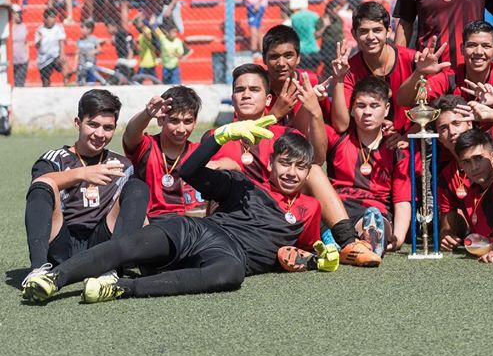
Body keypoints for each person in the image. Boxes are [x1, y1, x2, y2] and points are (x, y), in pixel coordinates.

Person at [21, 123, 328, 304]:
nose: (291, 173)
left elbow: (305, 249)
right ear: (271, 163)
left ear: (309, 172)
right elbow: (189, 171)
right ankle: (53, 279)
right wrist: (218, 139)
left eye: (300, 167)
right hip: (198, 231)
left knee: (231, 275)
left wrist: (318, 259)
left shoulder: (310, 208)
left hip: (232, 257)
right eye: (284, 164)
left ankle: (120, 288)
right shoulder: (245, 185)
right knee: (130, 246)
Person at [209, 63, 377, 265]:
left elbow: (317, 159)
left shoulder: (284, 134)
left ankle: (348, 242)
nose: (246, 95)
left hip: (279, 212)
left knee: (313, 170)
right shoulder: (215, 137)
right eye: (239, 90)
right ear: (233, 98)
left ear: (268, 99)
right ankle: (308, 252)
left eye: (254, 89)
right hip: (239, 217)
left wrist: (315, 112)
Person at [19, 90, 149, 291]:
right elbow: (39, 185)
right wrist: (82, 174)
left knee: (137, 187)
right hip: (61, 243)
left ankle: (112, 270)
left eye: (108, 128)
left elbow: (136, 212)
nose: (100, 134)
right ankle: (38, 270)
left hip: (103, 245)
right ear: (78, 123)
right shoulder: (54, 159)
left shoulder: (122, 164)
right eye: (93, 125)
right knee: (43, 185)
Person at [319, 76, 411, 260]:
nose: (367, 112)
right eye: (361, 106)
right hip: (339, 205)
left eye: (374, 106)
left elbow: (402, 200)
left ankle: (367, 238)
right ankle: (346, 239)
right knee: (327, 213)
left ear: (386, 109)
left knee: (375, 219)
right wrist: (312, 102)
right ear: (352, 109)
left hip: (376, 207)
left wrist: (399, 238)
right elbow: (312, 127)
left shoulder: (397, 150)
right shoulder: (338, 138)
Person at [396, 21, 493, 110]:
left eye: (486, 46)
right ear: (462, 49)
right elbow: (403, 101)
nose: (479, 52)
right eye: (472, 45)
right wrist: (420, 72)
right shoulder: (450, 78)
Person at [331, 1, 417, 133]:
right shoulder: (348, 69)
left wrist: (407, 136)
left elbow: (431, 109)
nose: (371, 37)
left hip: (410, 137)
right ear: (354, 34)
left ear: (388, 31)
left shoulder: (412, 60)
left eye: (377, 30)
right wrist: (338, 79)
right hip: (368, 138)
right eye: (364, 31)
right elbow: (341, 125)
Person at [123, 87, 205, 217]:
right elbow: (130, 133)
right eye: (174, 121)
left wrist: (218, 164)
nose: (181, 129)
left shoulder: (199, 152)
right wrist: (147, 114)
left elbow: (230, 162)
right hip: (152, 221)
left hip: (190, 222)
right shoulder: (147, 147)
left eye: (188, 121)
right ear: (161, 120)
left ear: (195, 123)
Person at [288, 0, 322, 72]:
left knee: (301, 72)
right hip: (313, 48)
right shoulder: (314, 15)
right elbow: (318, 30)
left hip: (301, 48)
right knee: (314, 72)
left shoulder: (294, 17)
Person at [35, 7, 66, 87]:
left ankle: (66, 84)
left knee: (64, 65)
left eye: (54, 18)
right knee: (45, 78)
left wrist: (61, 54)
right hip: (43, 58)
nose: (52, 20)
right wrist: (40, 40)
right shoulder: (40, 30)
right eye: (50, 18)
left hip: (55, 56)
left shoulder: (58, 28)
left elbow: (61, 41)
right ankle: (46, 89)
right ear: (45, 19)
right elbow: (37, 46)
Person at [104, 17, 137, 83]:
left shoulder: (123, 33)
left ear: (113, 26)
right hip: (121, 60)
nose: (107, 30)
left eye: (108, 27)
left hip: (126, 59)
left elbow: (130, 45)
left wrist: (129, 57)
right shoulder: (115, 35)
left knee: (118, 78)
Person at [158, 20, 189, 85]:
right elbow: (157, 31)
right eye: (173, 32)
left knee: (176, 84)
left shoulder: (178, 42)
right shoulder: (163, 39)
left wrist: (175, 54)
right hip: (165, 66)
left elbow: (180, 55)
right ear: (168, 33)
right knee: (165, 84)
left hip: (174, 67)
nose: (175, 34)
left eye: (175, 32)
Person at [133, 16, 160, 83]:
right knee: (154, 80)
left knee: (138, 80)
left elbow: (151, 37)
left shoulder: (146, 30)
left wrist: (150, 26)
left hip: (147, 62)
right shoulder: (141, 35)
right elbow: (139, 48)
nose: (136, 27)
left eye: (138, 23)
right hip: (145, 61)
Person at [74, 20, 101, 86]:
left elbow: (99, 49)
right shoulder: (79, 40)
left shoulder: (94, 39)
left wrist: (93, 51)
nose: (81, 30)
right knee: (80, 83)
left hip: (90, 64)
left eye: (83, 28)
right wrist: (75, 65)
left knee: (90, 83)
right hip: (81, 65)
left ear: (89, 29)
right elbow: (77, 52)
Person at [11, 4, 29, 87]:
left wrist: (27, 58)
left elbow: (26, 42)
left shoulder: (23, 26)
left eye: (20, 13)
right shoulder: (6, 27)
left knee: (19, 85)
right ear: (12, 14)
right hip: (9, 62)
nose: (20, 15)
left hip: (22, 61)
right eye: (17, 13)